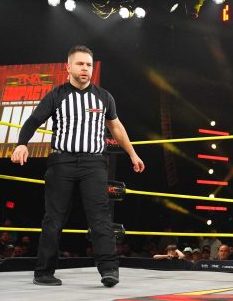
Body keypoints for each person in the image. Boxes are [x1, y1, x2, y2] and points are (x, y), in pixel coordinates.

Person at [11, 45, 144, 287]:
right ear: (68, 67)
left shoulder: (104, 97)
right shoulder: (56, 95)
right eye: (80, 64)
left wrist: (132, 154)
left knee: (100, 217)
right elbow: (34, 120)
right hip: (62, 161)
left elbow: (116, 127)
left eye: (89, 65)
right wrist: (22, 144)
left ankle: (109, 270)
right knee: (54, 218)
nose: (85, 68)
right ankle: (43, 272)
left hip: (94, 163)